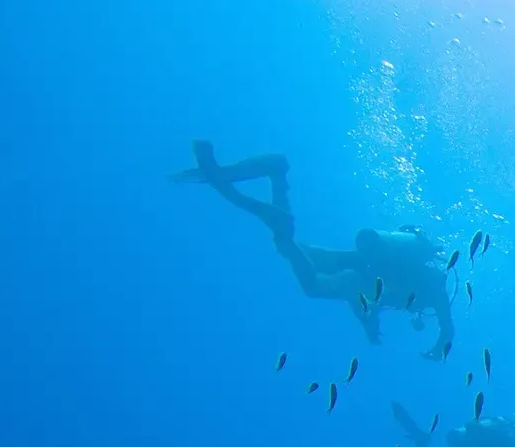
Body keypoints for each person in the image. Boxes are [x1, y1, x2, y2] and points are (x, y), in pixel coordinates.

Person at [173, 141, 454, 359]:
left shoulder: (414, 274)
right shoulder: (434, 292)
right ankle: (278, 200)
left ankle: (278, 176)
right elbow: (444, 331)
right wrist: (372, 326)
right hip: (357, 278)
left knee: (295, 249)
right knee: (309, 280)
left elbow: (371, 299)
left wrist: (368, 320)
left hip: (356, 263)